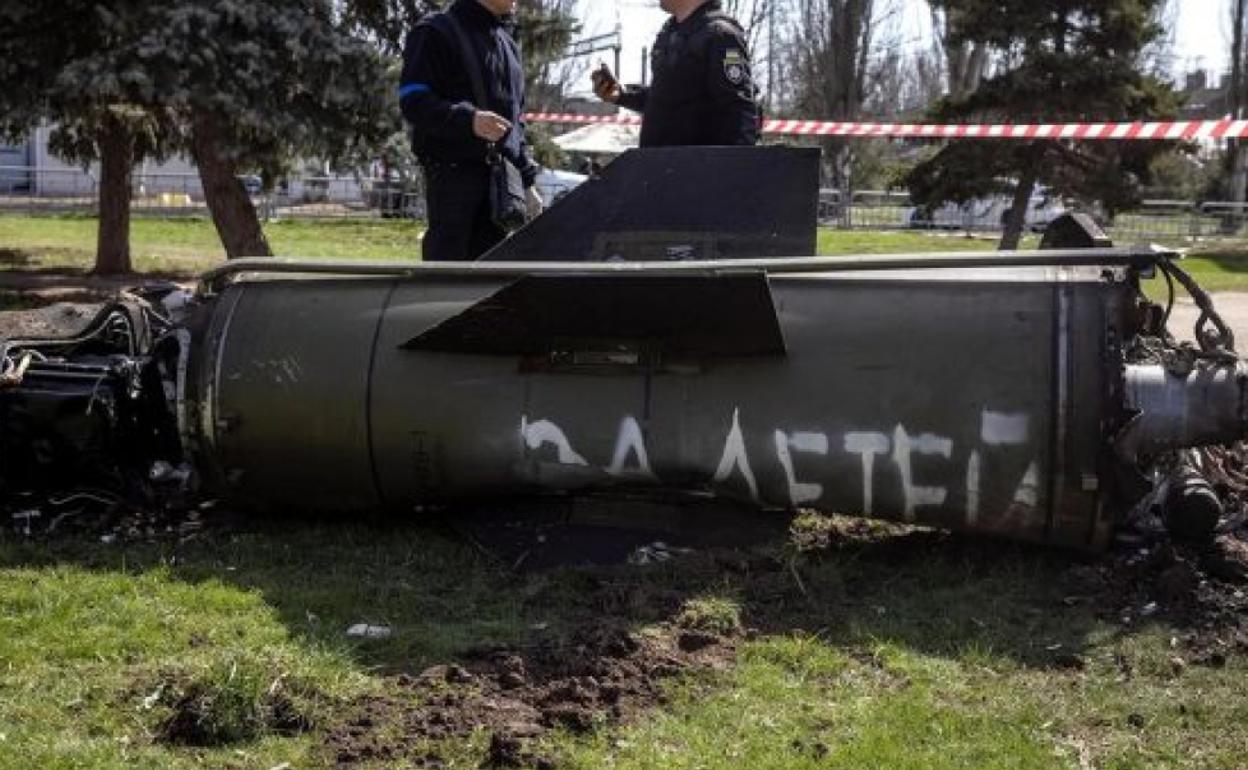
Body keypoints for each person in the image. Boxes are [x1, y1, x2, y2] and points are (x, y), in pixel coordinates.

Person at [399, 0, 543, 261]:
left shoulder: (508, 45)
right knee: (445, 284)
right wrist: (468, 120)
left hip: (500, 188)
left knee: (489, 285)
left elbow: (515, 123)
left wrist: (527, 179)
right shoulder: (434, 31)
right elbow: (413, 100)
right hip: (452, 177)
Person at [591, 0, 759, 148]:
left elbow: (739, 111)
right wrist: (621, 95)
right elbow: (667, 100)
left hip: (696, 174)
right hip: (659, 168)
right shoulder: (669, 34)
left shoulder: (720, 35)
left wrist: (732, 174)